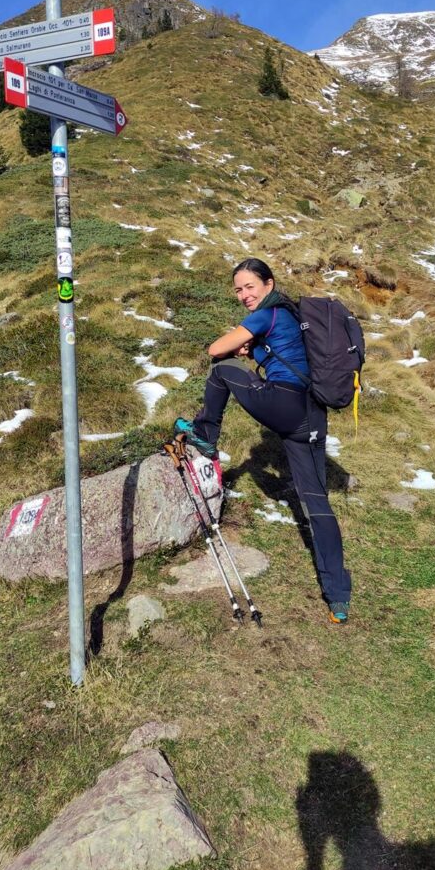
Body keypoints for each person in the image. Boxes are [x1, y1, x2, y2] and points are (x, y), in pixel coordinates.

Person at [174, 258, 352, 623]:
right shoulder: (290, 313)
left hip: (284, 406)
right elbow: (288, 354)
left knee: (222, 370)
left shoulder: (264, 314)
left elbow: (215, 348)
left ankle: (205, 436)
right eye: (238, 290)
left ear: (268, 284)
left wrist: (239, 347)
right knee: (317, 504)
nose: (243, 295)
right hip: (312, 416)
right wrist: (255, 350)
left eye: (249, 286)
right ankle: (338, 598)